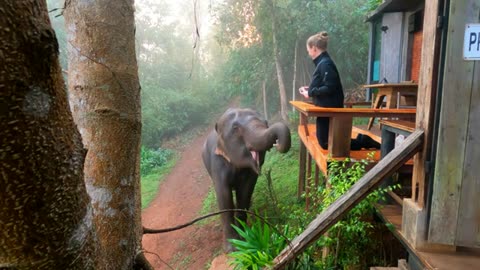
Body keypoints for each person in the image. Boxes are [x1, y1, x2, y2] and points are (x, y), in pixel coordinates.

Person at [298, 31, 380, 150]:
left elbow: (330, 87)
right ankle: (362, 141)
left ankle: (363, 141)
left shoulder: (325, 64)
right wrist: (310, 89)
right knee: (326, 141)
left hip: (329, 110)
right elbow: (325, 84)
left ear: (314, 48)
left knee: (327, 142)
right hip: (324, 109)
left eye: (308, 49)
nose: (308, 53)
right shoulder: (322, 63)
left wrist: (310, 92)